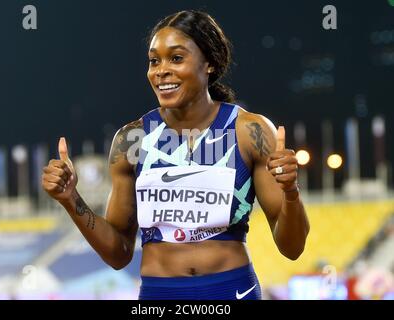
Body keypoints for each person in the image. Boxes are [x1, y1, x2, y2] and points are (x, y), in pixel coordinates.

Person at [42, 10, 310, 300]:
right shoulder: (132, 140)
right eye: (154, 61)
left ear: (209, 63)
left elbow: (292, 248)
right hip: (160, 296)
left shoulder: (249, 132)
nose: (161, 70)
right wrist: (71, 199)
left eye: (176, 58)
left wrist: (291, 192)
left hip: (232, 291)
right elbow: (118, 254)